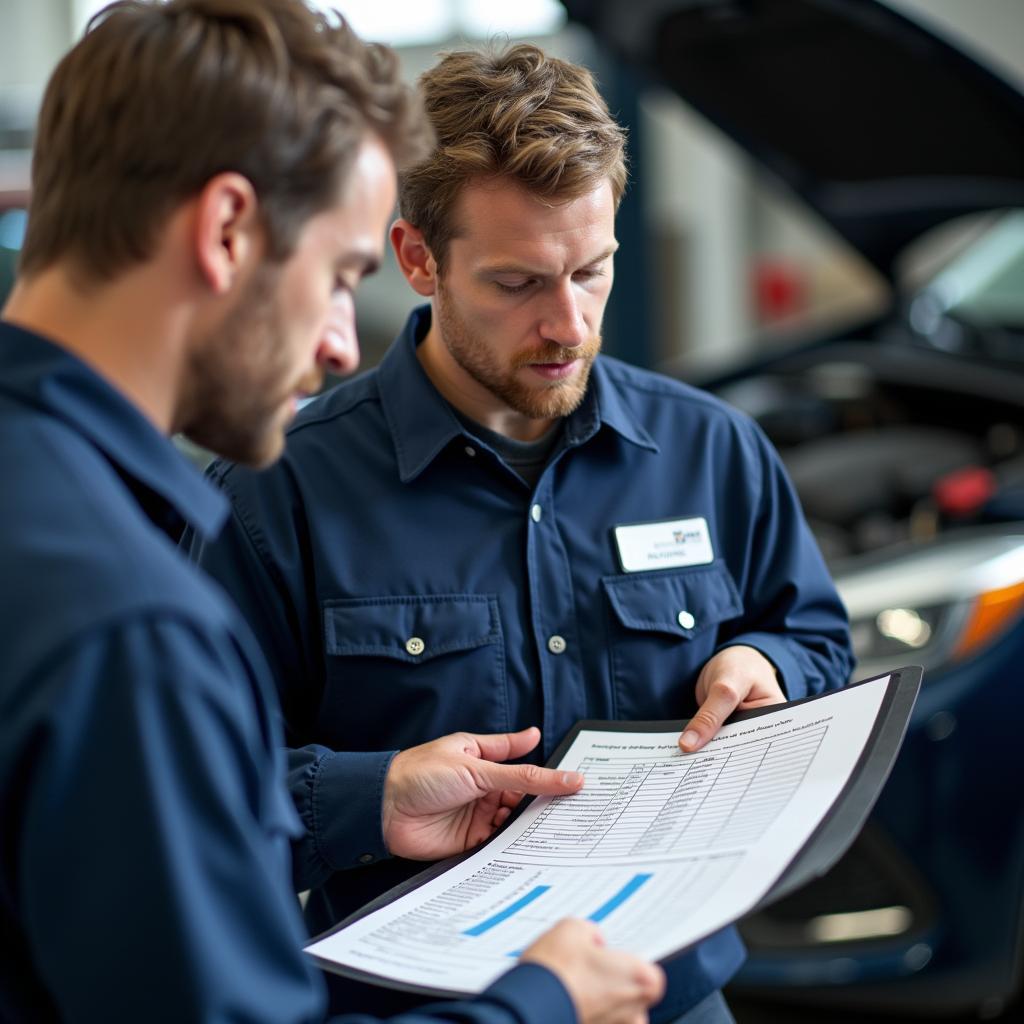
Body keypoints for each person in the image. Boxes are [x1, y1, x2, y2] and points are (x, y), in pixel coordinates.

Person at [0, 4, 666, 1023]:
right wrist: (539, 1005)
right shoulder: (129, 625)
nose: (344, 346)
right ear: (227, 231)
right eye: (341, 276)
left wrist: (369, 796)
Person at [189, 41, 854, 1024]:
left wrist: (768, 663)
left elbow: (817, 641)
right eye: (518, 284)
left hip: (668, 996)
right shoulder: (275, 493)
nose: (569, 325)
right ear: (417, 258)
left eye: (592, 272)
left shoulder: (711, 451)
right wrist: (372, 792)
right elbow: (193, 800)